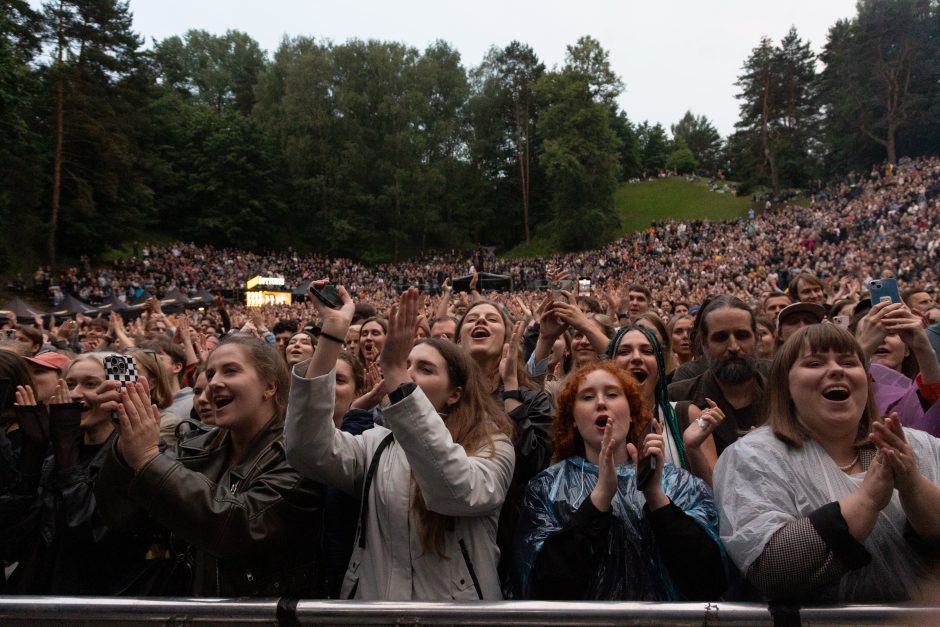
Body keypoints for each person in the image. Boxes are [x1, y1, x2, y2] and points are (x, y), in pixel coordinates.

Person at [285, 283, 515, 600]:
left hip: (458, 619)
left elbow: (455, 491)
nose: (408, 375)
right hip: (376, 613)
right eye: (405, 365)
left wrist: (394, 371)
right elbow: (306, 448)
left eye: (424, 368)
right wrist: (333, 334)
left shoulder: (493, 445)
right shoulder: (376, 445)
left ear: (455, 394)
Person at [714, 324, 940, 602]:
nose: (836, 370)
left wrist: (913, 484)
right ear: (785, 384)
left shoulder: (918, 446)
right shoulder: (752, 457)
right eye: (814, 363)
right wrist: (867, 499)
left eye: (848, 362)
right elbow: (772, 569)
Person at [95, 335, 324, 597]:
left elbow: (237, 528)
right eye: (211, 373)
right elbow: (124, 518)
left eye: (231, 370)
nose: (213, 383)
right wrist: (125, 452)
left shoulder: (298, 454)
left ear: (270, 386)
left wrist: (149, 459)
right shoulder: (195, 446)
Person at [513, 361, 726, 600]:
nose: (601, 402)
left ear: (631, 411)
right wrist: (600, 498)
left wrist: (655, 495)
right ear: (572, 417)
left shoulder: (680, 485)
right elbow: (542, 586)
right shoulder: (546, 488)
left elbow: (710, 580)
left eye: (612, 394)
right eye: (587, 397)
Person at [668, 296, 766, 455]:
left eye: (742, 336)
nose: (733, 347)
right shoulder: (676, 399)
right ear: (704, 344)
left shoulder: (783, 399)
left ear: (757, 339)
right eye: (720, 338)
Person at [855, 300, 940, 436]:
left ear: (907, 350)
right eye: (870, 332)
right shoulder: (842, 392)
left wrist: (923, 349)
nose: (881, 339)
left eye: (891, 333)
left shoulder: (922, 393)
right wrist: (863, 350)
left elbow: (936, 406)